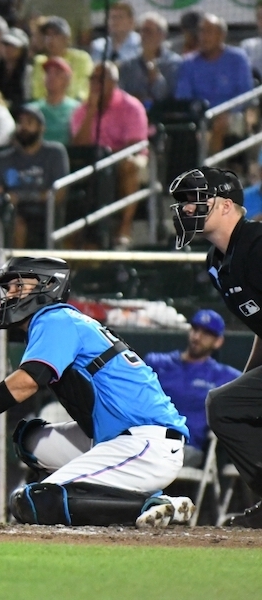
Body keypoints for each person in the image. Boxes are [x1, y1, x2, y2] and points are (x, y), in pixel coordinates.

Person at [0, 256, 194, 528]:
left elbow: (28, 382)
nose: (9, 293)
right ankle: (108, 490)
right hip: (117, 437)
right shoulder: (63, 320)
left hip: (146, 444)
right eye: (8, 288)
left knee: (34, 501)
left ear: (48, 285)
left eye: (18, 285)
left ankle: (152, 506)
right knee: (28, 440)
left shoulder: (54, 318)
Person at [167, 166, 262, 527]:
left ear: (225, 205)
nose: (186, 210)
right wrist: (250, 379)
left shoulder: (257, 243)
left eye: (195, 201)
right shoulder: (216, 263)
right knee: (225, 403)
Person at [145, 309, 240, 468]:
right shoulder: (156, 362)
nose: (197, 337)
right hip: (147, 440)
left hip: (184, 447)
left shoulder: (224, 376)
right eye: (195, 329)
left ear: (218, 341)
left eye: (206, 333)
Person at [71, 62, 149, 249]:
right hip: (94, 161)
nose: (96, 84)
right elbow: (79, 146)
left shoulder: (131, 106)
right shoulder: (82, 110)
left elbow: (135, 144)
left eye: (101, 79)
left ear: (114, 82)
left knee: (130, 165)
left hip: (127, 157)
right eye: (93, 79)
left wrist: (109, 158)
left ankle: (124, 228)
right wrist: (91, 111)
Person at [0, 105, 69, 248]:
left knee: (18, 225)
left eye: (29, 123)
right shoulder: (3, 158)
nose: (24, 127)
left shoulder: (55, 153)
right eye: (21, 122)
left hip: (44, 213)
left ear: (41, 128)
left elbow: (59, 193)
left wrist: (21, 197)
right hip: (11, 212)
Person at [175, 14, 253, 155]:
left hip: (233, 114)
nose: (203, 36)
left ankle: (211, 170)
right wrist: (200, 115)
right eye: (201, 31)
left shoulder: (237, 59)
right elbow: (183, 97)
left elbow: (246, 94)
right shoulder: (188, 63)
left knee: (220, 124)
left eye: (209, 31)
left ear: (221, 35)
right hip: (199, 117)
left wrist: (227, 111)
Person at [118, 12, 181, 108]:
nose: (144, 35)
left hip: (163, 115)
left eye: (148, 31)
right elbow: (123, 94)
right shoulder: (128, 65)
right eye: (142, 31)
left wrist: (153, 70)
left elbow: (163, 96)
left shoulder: (173, 63)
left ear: (162, 35)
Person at [31, 17, 93, 102]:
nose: (50, 39)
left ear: (66, 38)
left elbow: (80, 90)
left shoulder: (81, 58)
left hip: (75, 107)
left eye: (55, 34)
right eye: (47, 35)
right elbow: (37, 93)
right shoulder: (40, 61)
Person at [32, 57, 79, 146]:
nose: (51, 76)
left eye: (57, 73)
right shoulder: (33, 109)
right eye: (48, 73)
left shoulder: (76, 109)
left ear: (67, 80)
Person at [0, 28, 31, 109]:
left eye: (13, 45)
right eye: (5, 44)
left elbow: (28, 100)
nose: (7, 48)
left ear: (22, 50)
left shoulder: (28, 72)